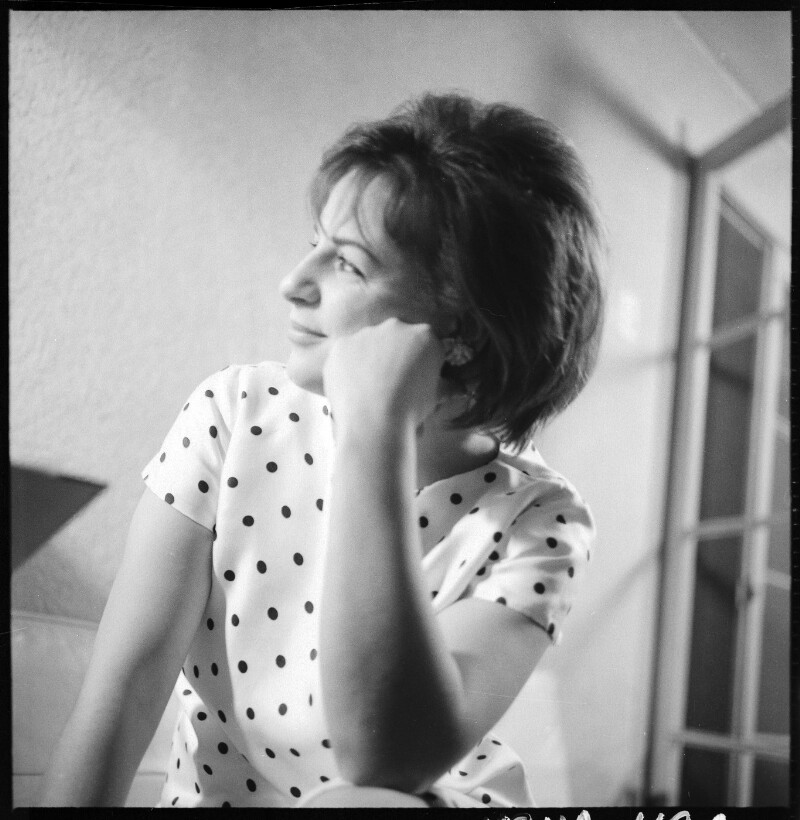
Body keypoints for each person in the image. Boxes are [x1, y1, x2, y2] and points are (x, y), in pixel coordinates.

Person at [40, 91, 605, 808]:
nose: (294, 283)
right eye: (315, 244)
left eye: (349, 264)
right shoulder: (232, 414)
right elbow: (121, 694)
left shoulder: (541, 519)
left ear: (462, 330)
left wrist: (375, 428)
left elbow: (385, 759)